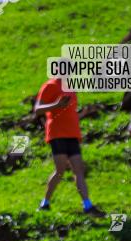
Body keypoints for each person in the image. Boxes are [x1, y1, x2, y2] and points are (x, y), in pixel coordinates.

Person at [33, 77, 103, 216]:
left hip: (72, 133)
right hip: (57, 133)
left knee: (79, 169)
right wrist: (56, 105)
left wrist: (79, 116)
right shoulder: (50, 85)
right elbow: (37, 109)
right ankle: (45, 203)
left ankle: (88, 206)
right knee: (60, 170)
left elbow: (70, 110)